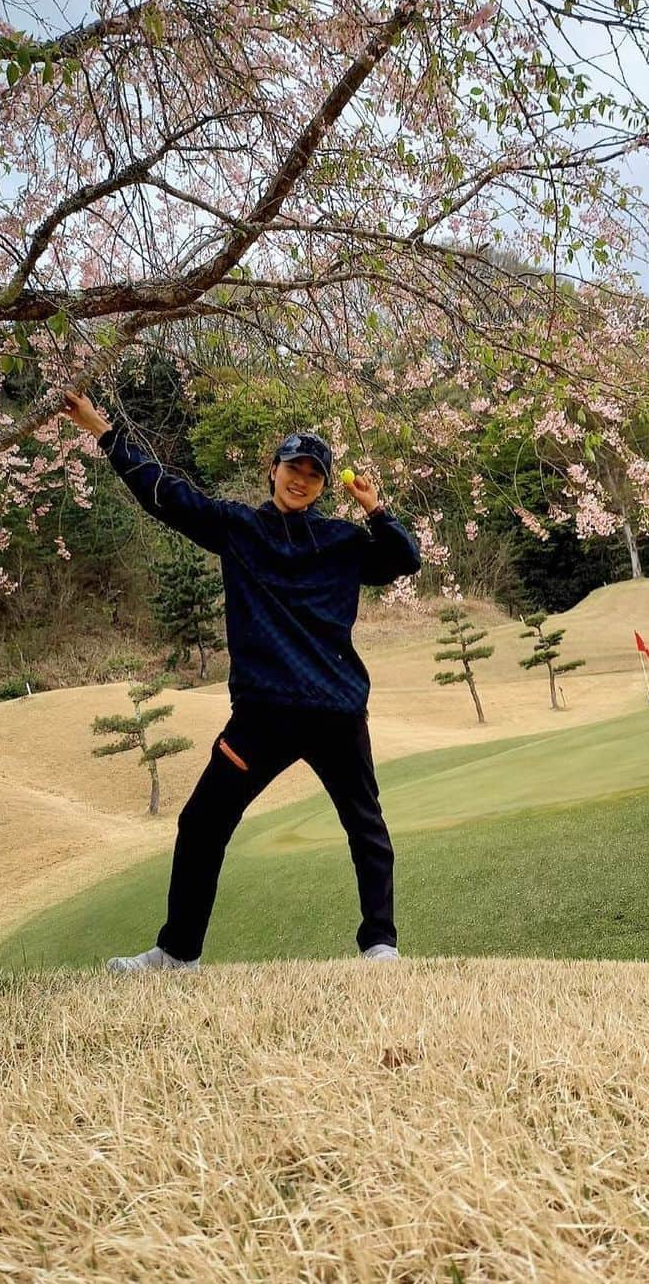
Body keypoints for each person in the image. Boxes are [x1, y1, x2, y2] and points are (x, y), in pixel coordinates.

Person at [60, 388, 422, 973]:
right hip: (264, 716)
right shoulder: (238, 528)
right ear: (273, 471)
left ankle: (380, 945)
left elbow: (404, 560)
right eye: (293, 468)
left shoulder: (344, 542)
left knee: (365, 826)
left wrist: (376, 510)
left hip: (335, 711)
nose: (300, 480)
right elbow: (163, 495)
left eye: (313, 474)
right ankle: (178, 953)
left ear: (324, 485)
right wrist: (103, 430)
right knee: (202, 823)